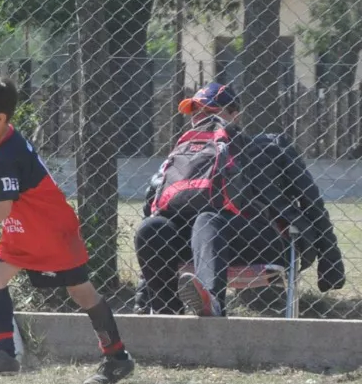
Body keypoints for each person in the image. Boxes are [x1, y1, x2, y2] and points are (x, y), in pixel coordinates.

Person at [0, 73, 135, 384]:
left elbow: (2, 209)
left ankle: (117, 358)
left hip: (50, 231)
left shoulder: (7, 153)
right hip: (27, 229)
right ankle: (4, 353)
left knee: (81, 292)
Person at [134, 82, 344, 316]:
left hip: (259, 241)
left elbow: (311, 201)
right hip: (195, 248)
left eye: (211, 112)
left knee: (208, 220)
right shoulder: (184, 154)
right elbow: (154, 209)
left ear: (235, 115)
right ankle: (165, 313)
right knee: (151, 228)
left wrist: (331, 262)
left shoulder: (270, 146)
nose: (201, 118)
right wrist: (143, 293)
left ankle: (212, 305)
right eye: (196, 113)